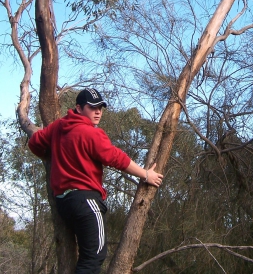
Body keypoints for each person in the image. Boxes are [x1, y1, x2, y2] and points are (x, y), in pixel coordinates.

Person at [28, 87, 163, 274]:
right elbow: (117, 158)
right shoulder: (91, 133)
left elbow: (34, 142)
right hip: (86, 201)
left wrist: (52, 156)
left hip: (63, 202)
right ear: (78, 108)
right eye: (92, 107)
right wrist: (146, 175)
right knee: (94, 257)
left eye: (100, 107)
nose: (98, 111)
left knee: (86, 257)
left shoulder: (59, 125)